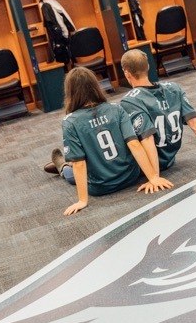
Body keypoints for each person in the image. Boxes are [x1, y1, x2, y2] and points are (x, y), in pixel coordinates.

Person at [48, 67, 173, 216]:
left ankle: (62, 166)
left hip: (100, 187)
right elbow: (134, 144)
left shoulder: (70, 122)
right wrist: (153, 177)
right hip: (130, 176)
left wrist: (82, 200)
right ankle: (65, 162)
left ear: (70, 92)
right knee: (78, 162)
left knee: (73, 171)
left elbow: (80, 164)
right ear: (95, 86)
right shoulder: (116, 109)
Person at [119, 49, 196, 176]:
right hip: (169, 157)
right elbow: (195, 121)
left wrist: (154, 176)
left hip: (148, 166)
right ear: (148, 66)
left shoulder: (130, 100)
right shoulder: (173, 88)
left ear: (127, 73)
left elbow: (147, 138)